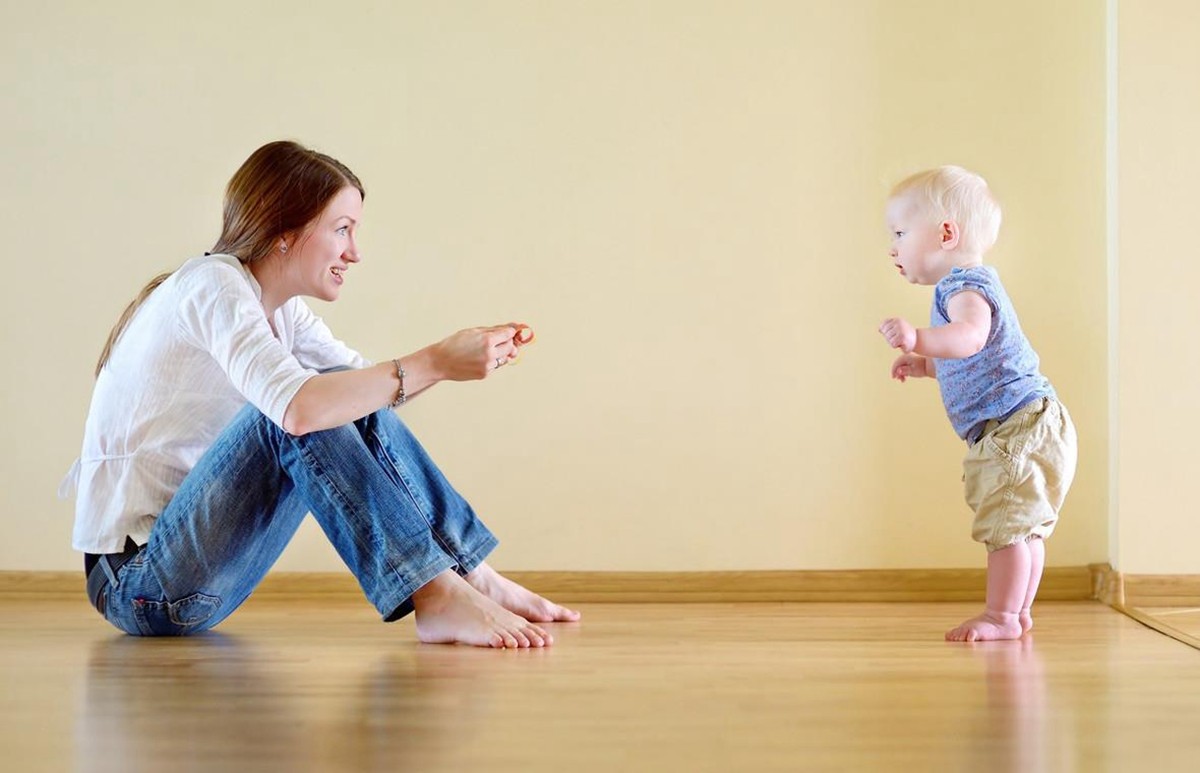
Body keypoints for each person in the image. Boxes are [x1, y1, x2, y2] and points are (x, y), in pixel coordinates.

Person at [61, 140, 579, 648]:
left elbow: (370, 391)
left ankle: (469, 574)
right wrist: (436, 360)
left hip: (194, 577)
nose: (354, 252)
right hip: (139, 584)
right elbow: (300, 408)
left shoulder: (280, 310)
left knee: (341, 394)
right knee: (292, 412)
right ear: (285, 231)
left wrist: (455, 360)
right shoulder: (211, 284)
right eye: (342, 229)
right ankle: (436, 593)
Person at [877, 165, 1077, 642]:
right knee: (1024, 528)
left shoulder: (963, 287)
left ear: (946, 233)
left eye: (901, 233)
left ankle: (1002, 616)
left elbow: (970, 338)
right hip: (1032, 420)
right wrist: (927, 365)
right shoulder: (971, 284)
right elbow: (974, 357)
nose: (893, 246)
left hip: (1014, 425)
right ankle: (1018, 611)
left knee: (1006, 526)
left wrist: (919, 337)